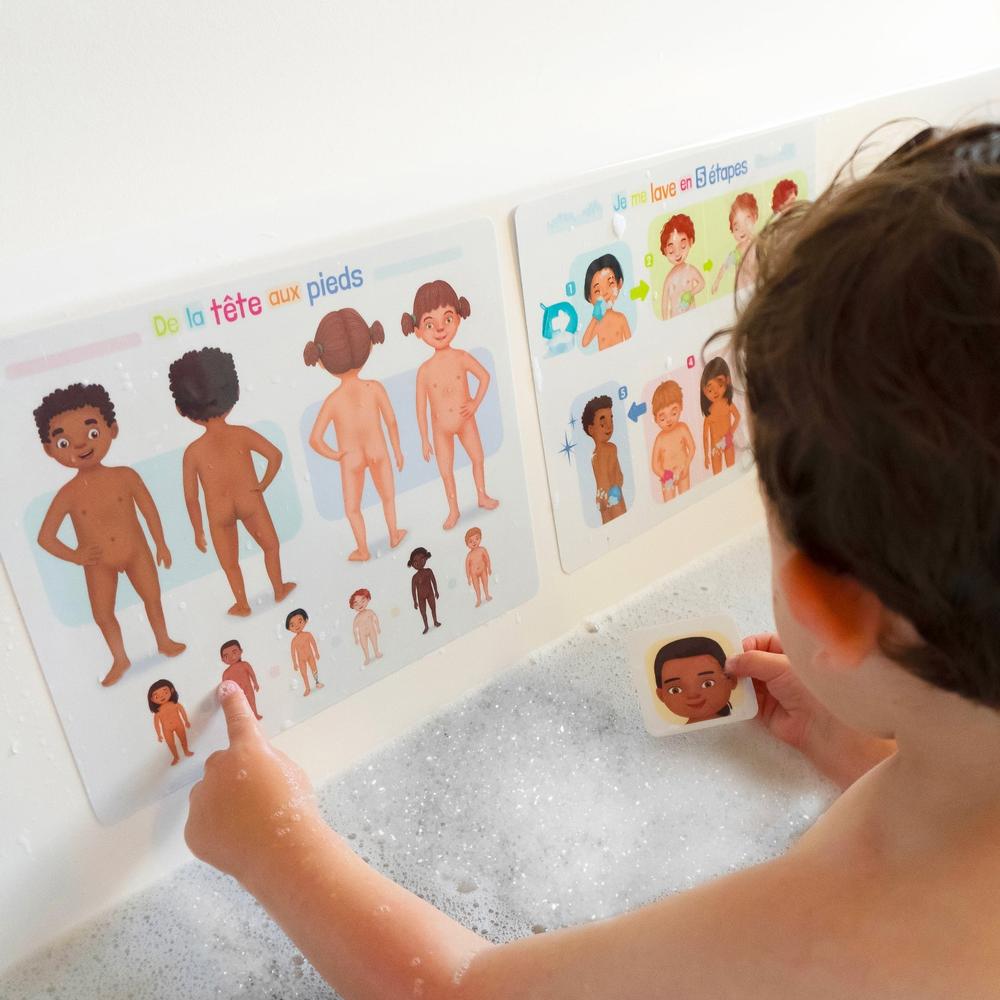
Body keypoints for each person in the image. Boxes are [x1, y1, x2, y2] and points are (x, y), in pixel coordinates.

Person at [186, 123, 1000, 998]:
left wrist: (272, 842)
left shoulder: (839, 926)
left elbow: (463, 990)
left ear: (825, 609)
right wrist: (861, 743)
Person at [33, 382, 186, 686]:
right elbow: (45, 537)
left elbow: (149, 510)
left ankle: (163, 640)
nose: (80, 445)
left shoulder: (125, 476)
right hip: (96, 561)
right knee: (103, 615)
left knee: (152, 597)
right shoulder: (68, 494)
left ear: (111, 429)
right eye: (64, 442)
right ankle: (120, 658)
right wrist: (76, 556)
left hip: (136, 551)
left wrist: (161, 544)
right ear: (50, 450)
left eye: (91, 433)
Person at [169, 347, 296, 616]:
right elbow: (275, 456)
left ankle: (243, 604)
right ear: (234, 392)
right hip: (250, 499)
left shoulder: (193, 452)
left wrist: (197, 530)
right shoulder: (241, 434)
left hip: (218, 511)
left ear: (183, 409)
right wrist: (263, 484)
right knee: (271, 546)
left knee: (230, 563)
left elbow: (191, 498)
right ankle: (278, 588)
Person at [305, 308, 407, 561]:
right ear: (369, 345)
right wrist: (397, 450)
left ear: (321, 361)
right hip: (378, 450)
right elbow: (391, 421)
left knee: (352, 508)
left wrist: (336, 454)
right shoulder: (374, 388)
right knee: (388, 497)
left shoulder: (333, 401)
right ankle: (394, 534)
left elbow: (315, 439)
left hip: (350, 458)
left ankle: (363, 549)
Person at [403, 279, 499, 530]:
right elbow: (420, 408)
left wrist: (475, 403)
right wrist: (424, 439)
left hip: (465, 420)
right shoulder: (424, 371)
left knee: (477, 458)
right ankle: (453, 509)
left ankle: (481, 495)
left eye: (447, 319)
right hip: (440, 429)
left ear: (458, 317)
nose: (439, 329)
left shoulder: (461, 357)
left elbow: (484, 376)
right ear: (417, 330)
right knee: (446, 471)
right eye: (429, 324)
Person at [582, 394, 626, 523]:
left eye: (611, 420)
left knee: (608, 526)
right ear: (591, 429)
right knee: (621, 523)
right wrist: (615, 489)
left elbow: (604, 479)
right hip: (613, 495)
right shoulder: (610, 449)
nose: (609, 426)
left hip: (601, 497)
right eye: (602, 423)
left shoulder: (595, 455)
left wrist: (602, 499)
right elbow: (615, 476)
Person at [649, 379, 695, 500]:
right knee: (669, 503)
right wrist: (664, 475)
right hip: (667, 477)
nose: (669, 420)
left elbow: (692, 448)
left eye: (674, 413)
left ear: (681, 407)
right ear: (655, 419)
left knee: (686, 499)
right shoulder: (659, 439)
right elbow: (655, 464)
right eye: (662, 418)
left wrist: (686, 466)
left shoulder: (682, 428)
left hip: (683, 471)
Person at [580, 253, 632, 351]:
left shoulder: (621, 318)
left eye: (610, 283)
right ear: (590, 298)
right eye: (597, 291)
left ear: (619, 283)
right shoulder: (597, 323)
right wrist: (595, 318)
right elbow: (585, 343)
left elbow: (631, 341)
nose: (605, 293)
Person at [658, 214, 705, 319]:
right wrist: (665, 322)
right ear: (665, 251)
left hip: (692, 315)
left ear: (690, 242)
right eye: (671, 250)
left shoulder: (690, 270)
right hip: (676, 318)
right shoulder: (669, 278)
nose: (677, 253)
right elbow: (664, 303)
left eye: (683, 246)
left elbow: (702, 283)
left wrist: (691, 293)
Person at [219, 639, 262, 720]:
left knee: (251, 701)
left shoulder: (245, 665)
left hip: (248, 689)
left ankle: (255, 714)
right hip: (237, 693)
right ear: (223, 660)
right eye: (226, 656)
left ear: (241, 651)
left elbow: (252, 674)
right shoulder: (226, 673)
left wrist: (255, 683)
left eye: (234, 652)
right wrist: (227, 697)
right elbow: (225, 686)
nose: (231, 657)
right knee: (241, 706)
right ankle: (246, 718)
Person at [286, 608, 322, 696]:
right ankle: (307, 687)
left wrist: (316, 652)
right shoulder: (294, 641)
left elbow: (313, 643)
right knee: (303, 673)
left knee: (314, 668)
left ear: (305, 621)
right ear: (289, 628)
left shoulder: (308, 634)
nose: (297, 626)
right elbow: (293, 653)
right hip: (301, 659)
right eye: (292, 625)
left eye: (300, 621)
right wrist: (294, 663)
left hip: (310, 655)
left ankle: (317, 682)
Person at [464, 526, 493, 607]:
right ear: (467, 544)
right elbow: (467, 567)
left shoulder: (482, 550)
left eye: (477, 539)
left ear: (480, 538)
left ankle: (487, 595)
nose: (474, 542)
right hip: (474, 574)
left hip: (483, 570)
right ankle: (479, 599)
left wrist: (489, 568)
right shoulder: (469, 555)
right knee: (476, 587)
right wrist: (468, 578)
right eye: (470, 541)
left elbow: (487, 559)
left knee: (485, 583)